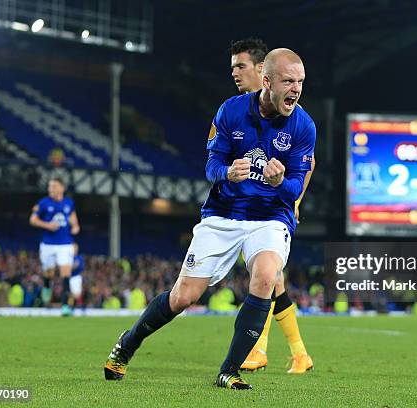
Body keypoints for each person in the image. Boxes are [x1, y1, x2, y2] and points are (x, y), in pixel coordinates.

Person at [104, 48, 316, 390]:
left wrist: (281, 182)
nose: (296, 88)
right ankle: (127, 343)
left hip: (270, 217)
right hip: (223, 214)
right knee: (183, 297)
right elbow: (211, 166)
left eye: (301, 82)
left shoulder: (304, 126)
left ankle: (228, 370)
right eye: (288, 81)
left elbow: (295, 189)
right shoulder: (230, 111)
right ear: (266, 81)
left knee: (265, 277)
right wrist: (227, 173)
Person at [230, 38, 315, 374]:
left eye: (241, 66)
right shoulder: (241, 109)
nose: (235, 73)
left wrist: (293, 202)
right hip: (246, 209)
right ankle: (299, 354)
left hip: (273, 210)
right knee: (272, 280)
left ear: (262, 72)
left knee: (265, 277)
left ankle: (259, 349)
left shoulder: (290, 115)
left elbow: (306, 164)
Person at [29, 177, 80, 316]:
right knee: (49, 274)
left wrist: (75, 227)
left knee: (65, 273)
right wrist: (48, 225)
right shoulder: (43, 203)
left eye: (54, 186)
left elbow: (74, 221)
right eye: (49, 186)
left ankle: (65, 306)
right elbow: (32, 220)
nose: (50, 189)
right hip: (48, 245)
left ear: (62, 188)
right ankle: (46, 286)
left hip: (65, 244)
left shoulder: (69, 203)